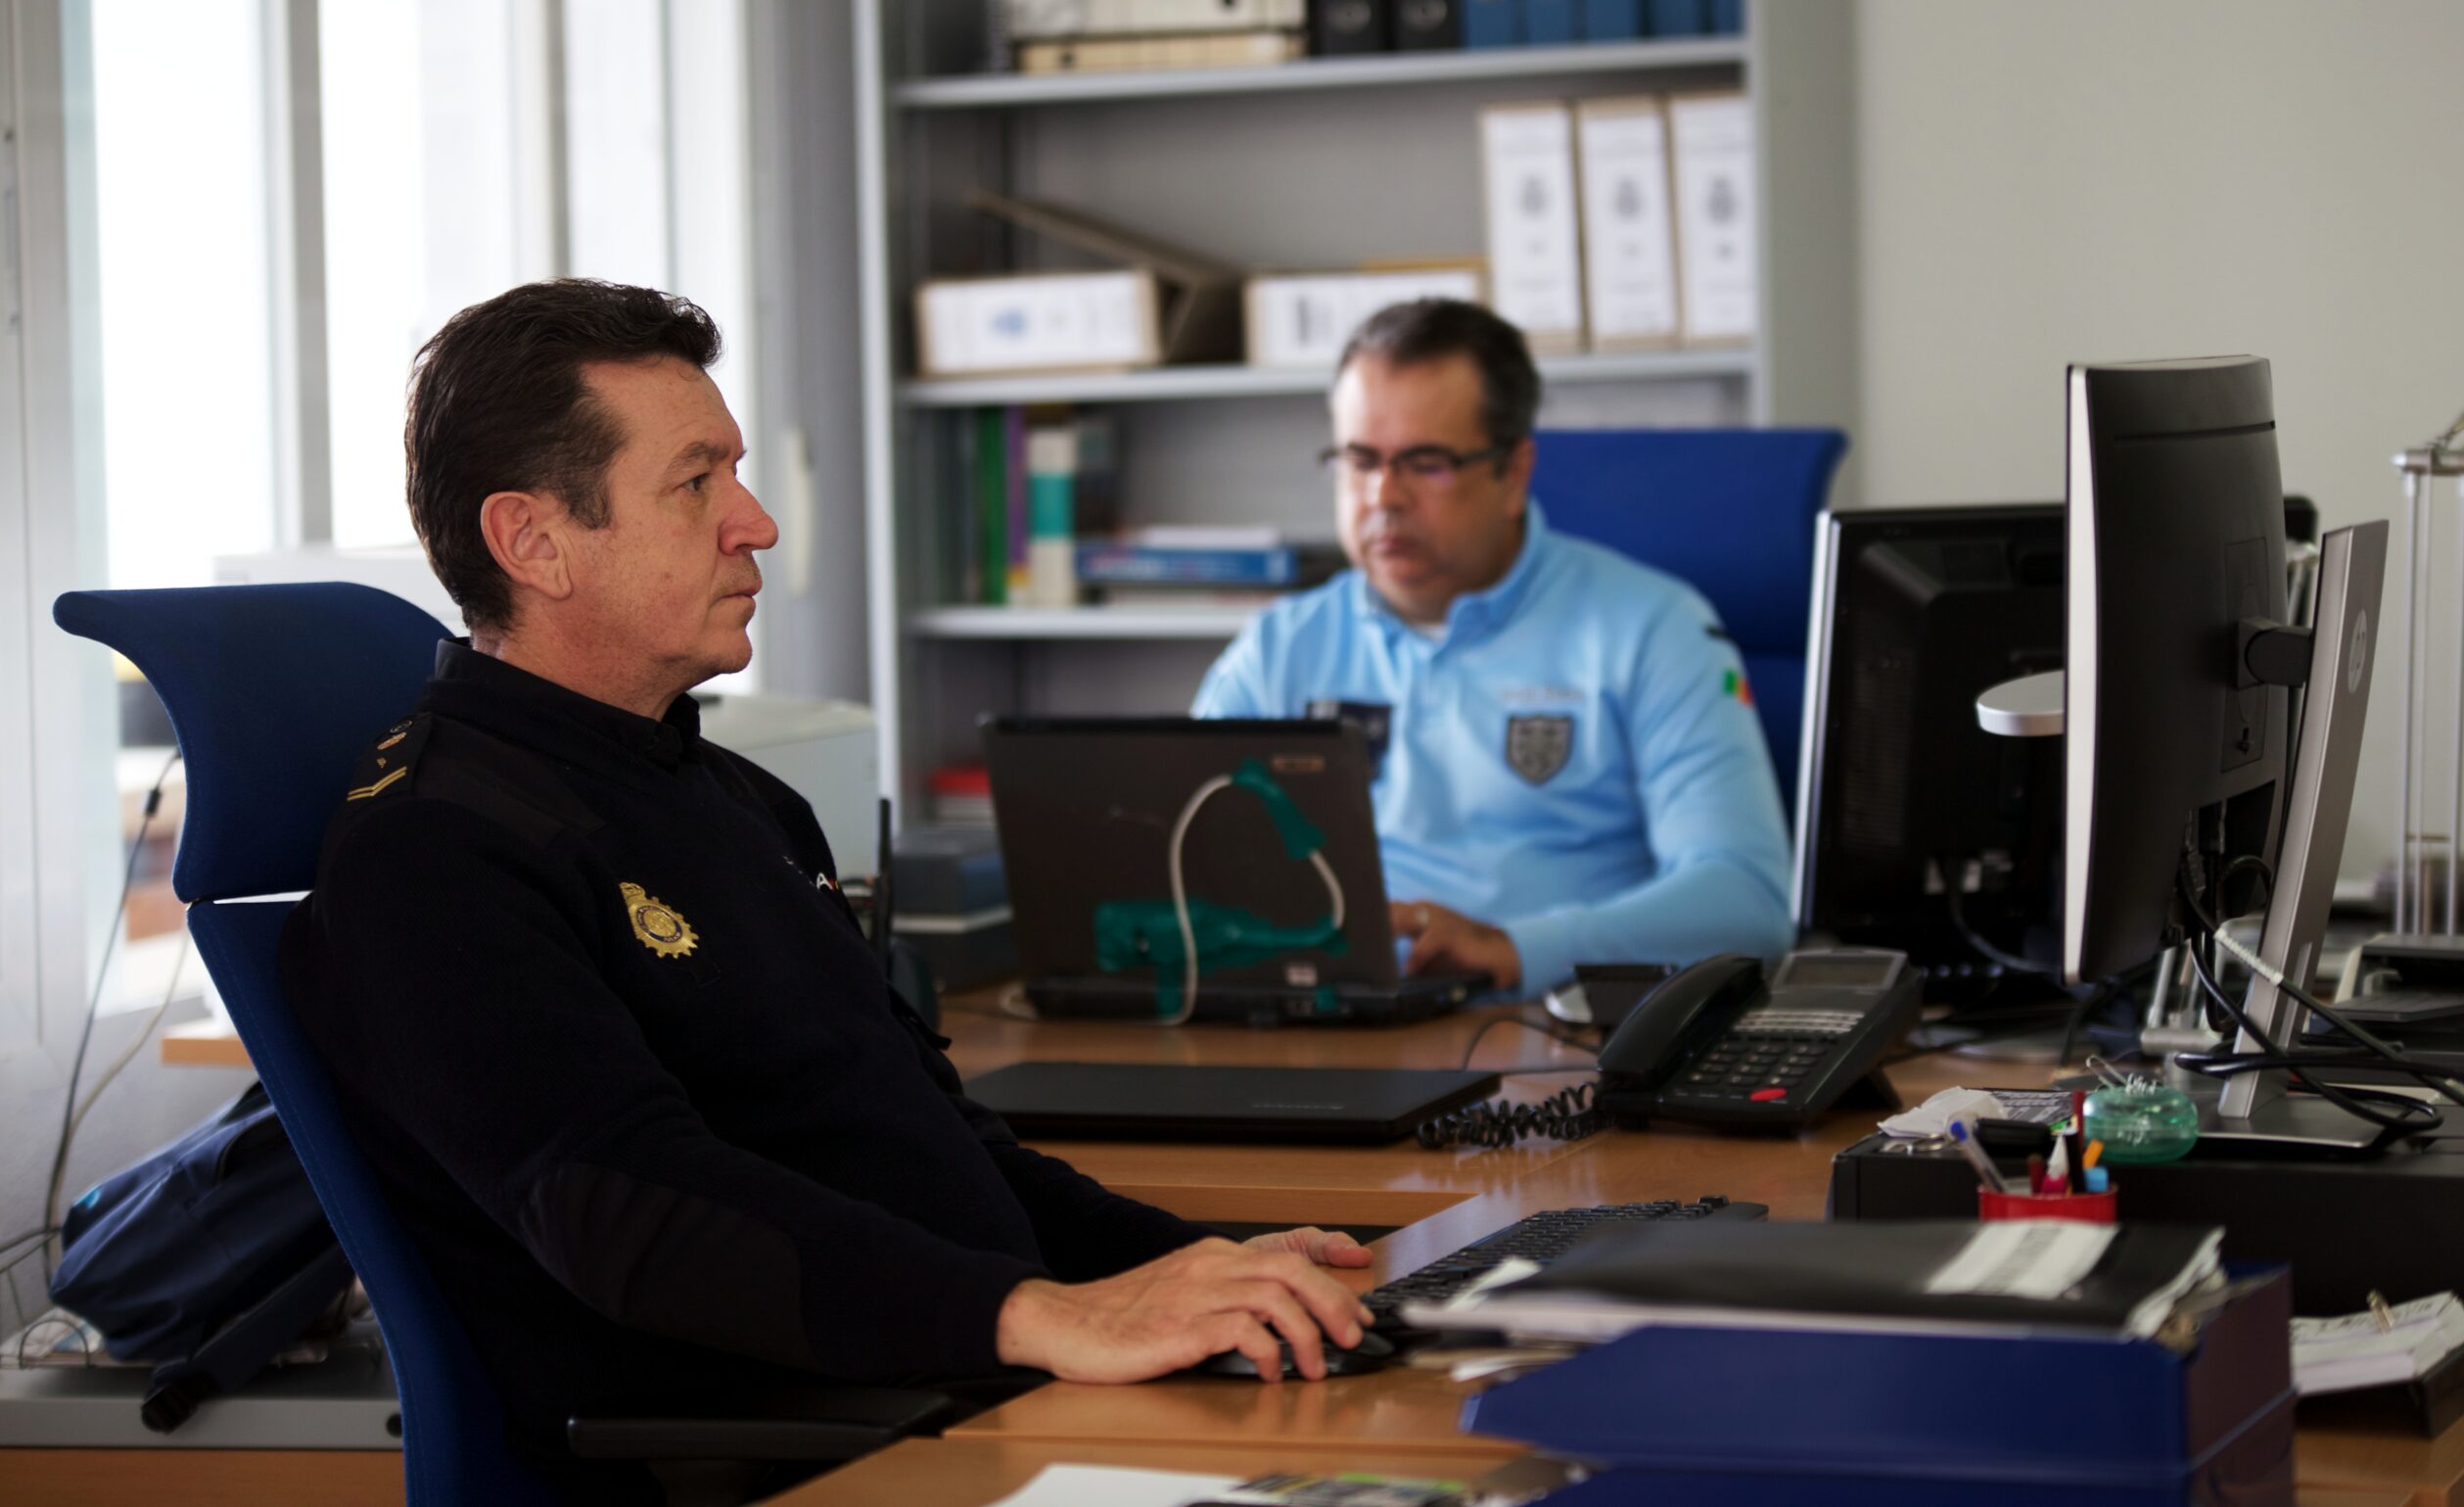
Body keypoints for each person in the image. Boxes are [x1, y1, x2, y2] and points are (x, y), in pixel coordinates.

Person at [281, 280, 1372, 1503]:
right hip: (788, 1449)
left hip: (960, 1382)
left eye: (734, 474)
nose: (754, 523)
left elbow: (938, 1152)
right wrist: (1036, 1317)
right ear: (532, 541)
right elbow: (634, 1216)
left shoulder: (744, 804)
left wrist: (1200, 1268)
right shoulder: (432, 854)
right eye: (695, 484)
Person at [1192, 299, 1794, 998]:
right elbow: (1176, 853)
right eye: (1359, 460)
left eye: (1426, 462)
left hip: (1553, 1039)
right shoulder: (1279, 646)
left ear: (1513, 473)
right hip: (1325, 1027)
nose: (1383, 495)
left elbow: (1745, 900)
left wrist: (1518, 948)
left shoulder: (1654, 627)